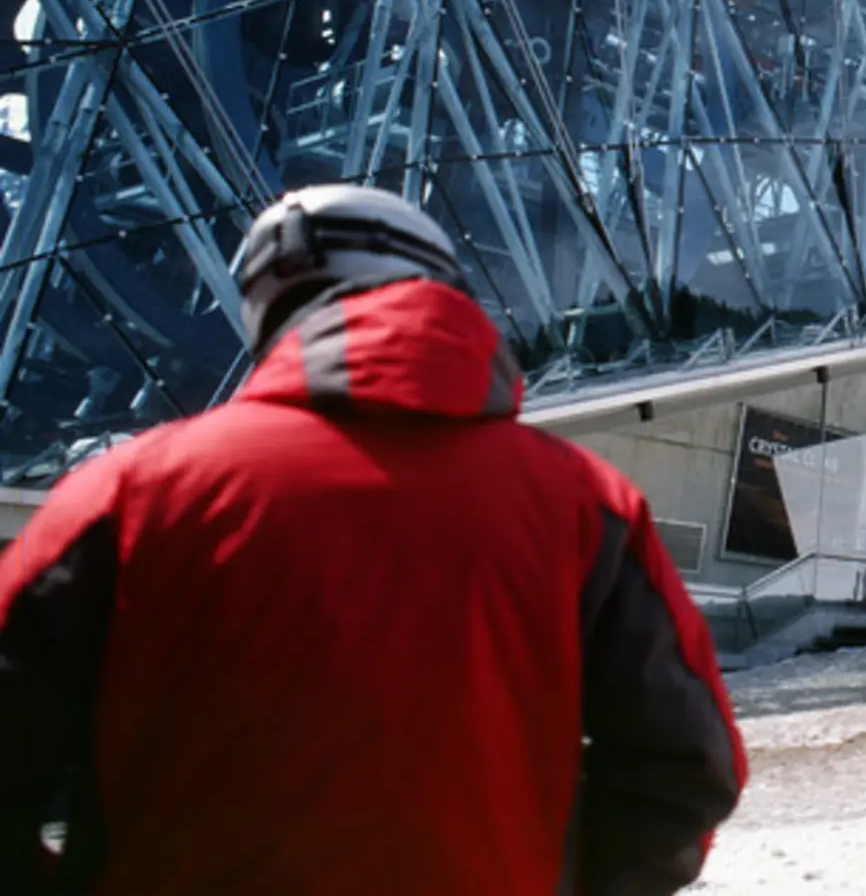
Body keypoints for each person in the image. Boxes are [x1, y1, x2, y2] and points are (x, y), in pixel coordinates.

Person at [0, 184, 747, 894]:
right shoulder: (584, 502)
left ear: (264, 316)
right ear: (444, 295)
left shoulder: (125, 492)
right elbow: (689, 765)